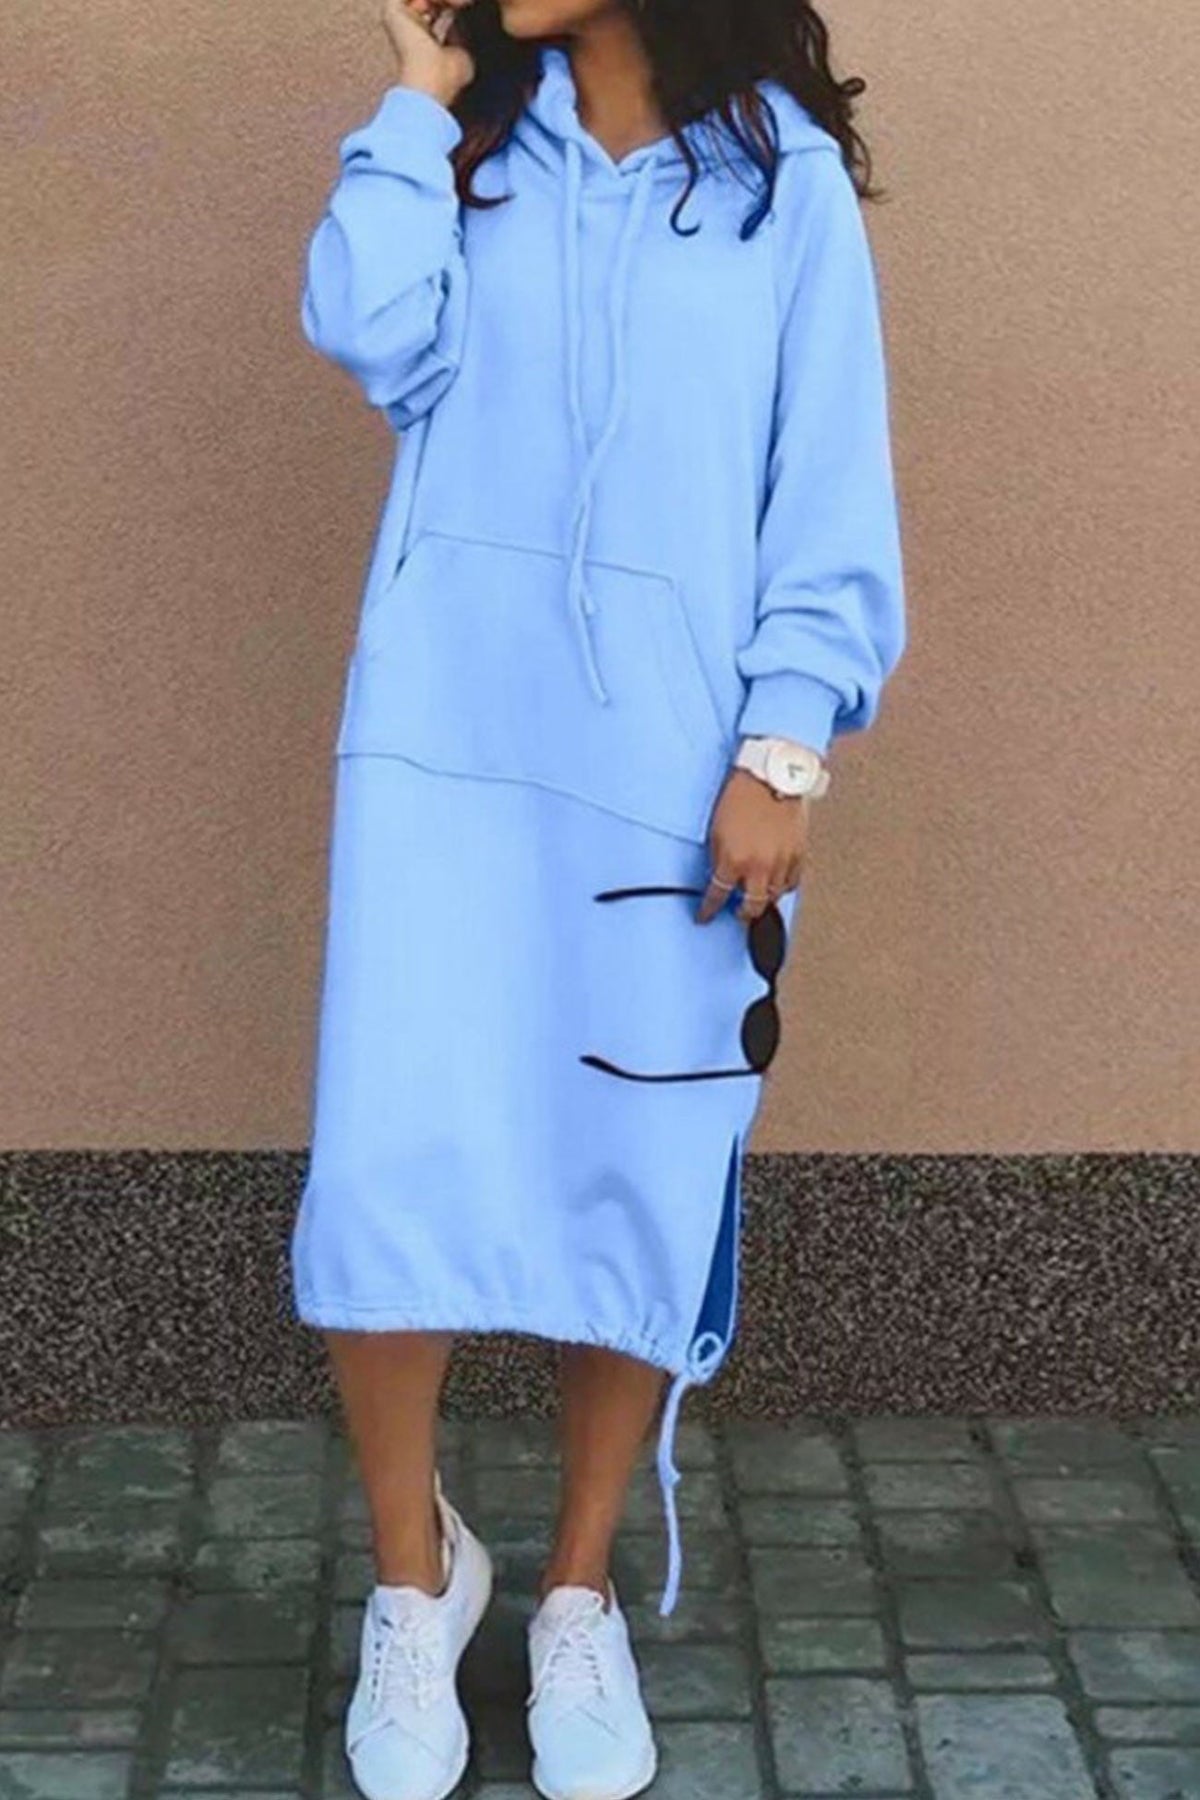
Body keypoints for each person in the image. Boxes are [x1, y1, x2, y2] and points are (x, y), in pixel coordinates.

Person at [291, 0, 906, 1795]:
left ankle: (576, 1591)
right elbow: (365, 327)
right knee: (392, 1157)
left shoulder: (783, 185)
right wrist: (416, 106)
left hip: (666, 770)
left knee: (632, 1168)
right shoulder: (470, 145)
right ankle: (413, 1582)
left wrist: (784, 746)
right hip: (442, 750)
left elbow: (829, 485)